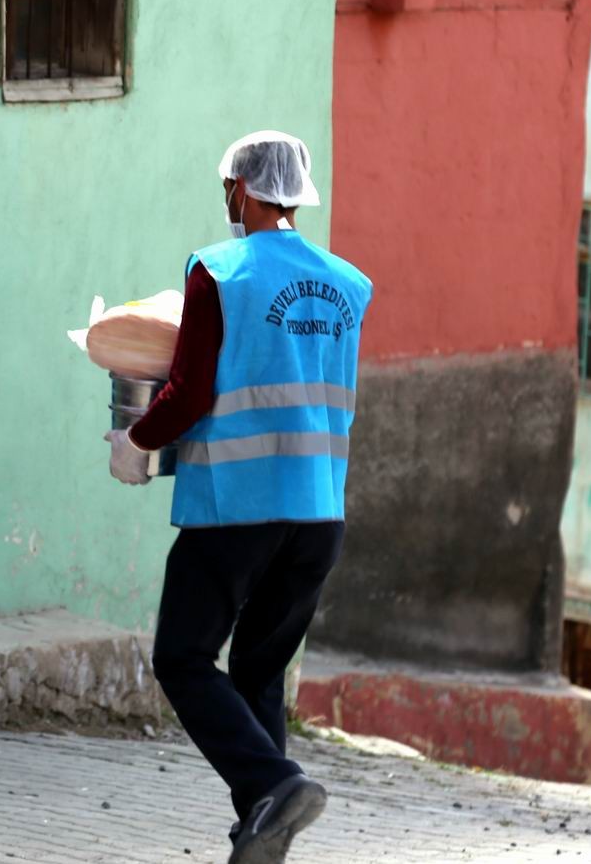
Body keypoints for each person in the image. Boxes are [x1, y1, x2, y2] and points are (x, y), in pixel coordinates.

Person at [106, 131, 372, 864]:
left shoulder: (218, 272)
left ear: (244, 190)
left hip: (239, 505)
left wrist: (137, 440)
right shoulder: (349, 284)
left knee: (183, 656)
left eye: (229, 186)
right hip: (318, 511)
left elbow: (192, 390)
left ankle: (276, 782)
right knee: (258, 670)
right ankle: (262, 827)